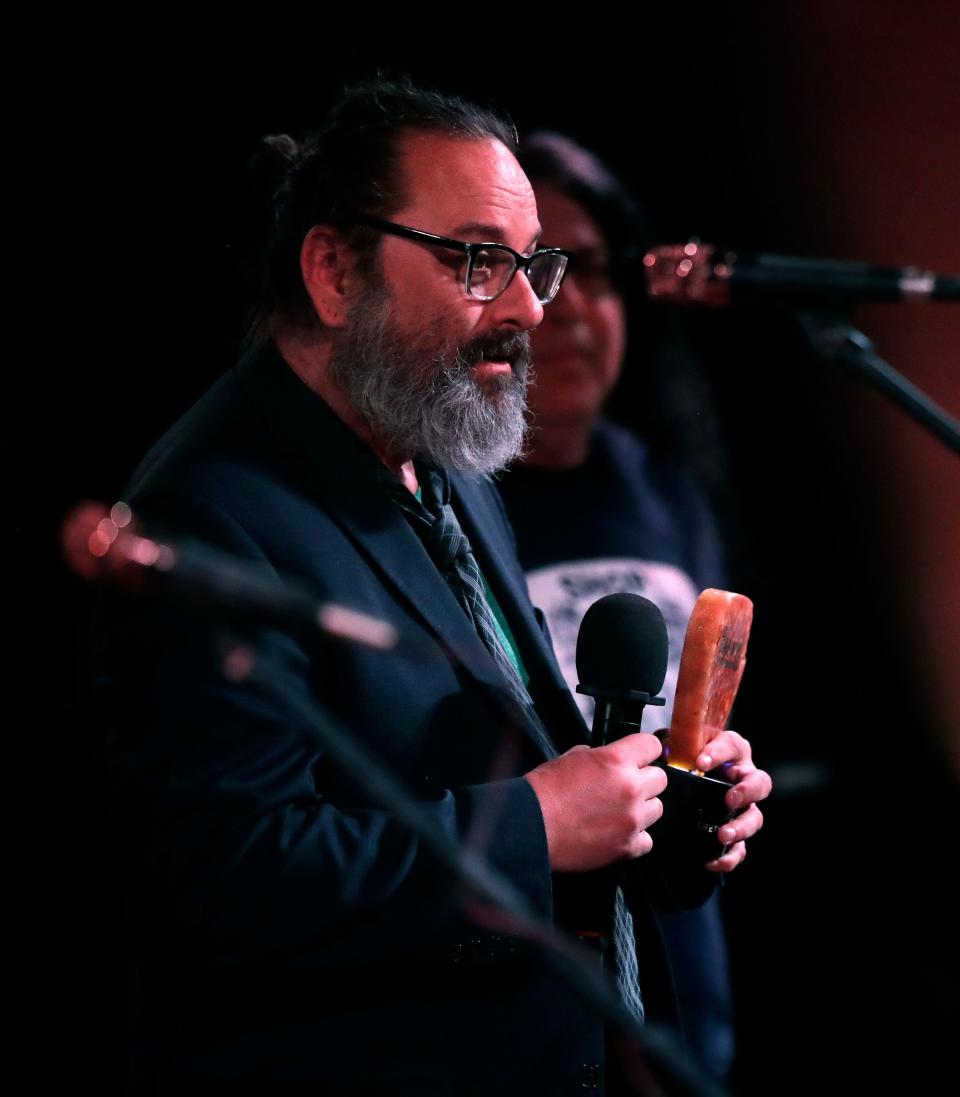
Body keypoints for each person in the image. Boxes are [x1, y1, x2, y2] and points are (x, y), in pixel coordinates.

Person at [95, 81, 770, 1095]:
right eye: (478, 260)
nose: (532, 307)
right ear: (333, 268)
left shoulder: (445, 455)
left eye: (531, 262)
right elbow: (223, 881)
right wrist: (536, 824)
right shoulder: (205, 518)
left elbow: (498, 769)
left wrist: (656, 813)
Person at [498, 132, 741, 1080]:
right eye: (541, 273)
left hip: (684, 980)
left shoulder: (669, 490)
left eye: (594, 271)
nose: (572, 313)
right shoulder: (448, 506)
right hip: (532, 993)